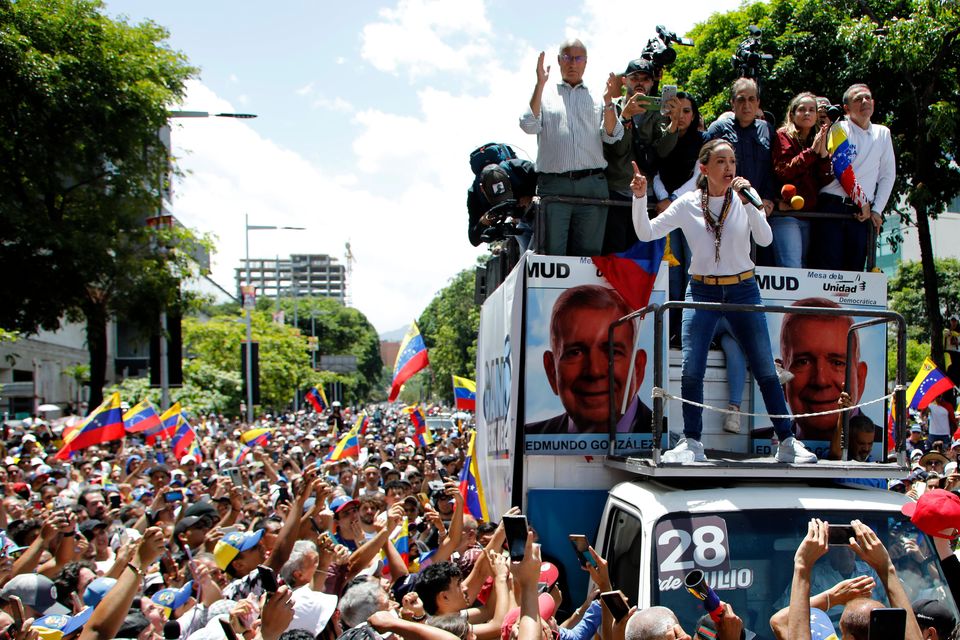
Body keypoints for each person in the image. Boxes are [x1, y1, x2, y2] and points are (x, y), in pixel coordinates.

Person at [631, 139, 817, 463]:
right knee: (691, 368)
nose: (729, 167)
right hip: (702, 290)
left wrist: (750, 204)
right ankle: (692, 442)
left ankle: (787, 441)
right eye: (721, 161)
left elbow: (765, 238)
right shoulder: (688, 203)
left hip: (744, 289)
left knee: (765, 368)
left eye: (732, 161)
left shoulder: (744, 199)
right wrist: (638, 197)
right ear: (704, 169)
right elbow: (646, 232)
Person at [519, 39, 623, 256]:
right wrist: (539, 84)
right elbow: (528, 125)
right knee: (551, 259)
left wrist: (608, 102)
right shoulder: (545, 95)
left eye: (578, 58)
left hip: (592, 185)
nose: (572, 63)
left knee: (588, 260)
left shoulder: (597, 96)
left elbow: (612, 135)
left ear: (586, 62)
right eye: (567, 57)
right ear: (558, 61)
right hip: (554, 186)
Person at [525, 284, 652, 434]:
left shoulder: (668, 445)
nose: (594, 371)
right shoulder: (529, 437)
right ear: (552, 371)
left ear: (638, 368)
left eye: (612, 351)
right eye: (575, 352)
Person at [782, 519, 922, 640]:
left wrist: (803, 567)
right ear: (830, 552)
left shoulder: (869, 570)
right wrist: (886, 568)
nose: (846, 552)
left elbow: (781, 620)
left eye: (849, 547)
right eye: (840, 549)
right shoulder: (816, 575)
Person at [811, 83, 896, 272]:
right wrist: (863, 203)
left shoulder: (883, 133)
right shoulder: (837, 128)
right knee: (827, 271)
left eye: (867, 97)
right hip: (832, 207)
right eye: (858, 99)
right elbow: (842, 167)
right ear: (847, 108)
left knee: (855, 273)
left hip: (861, 215)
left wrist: (876, 210)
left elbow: (888, 174)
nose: (864, 101)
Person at [775, 298, 873, 445]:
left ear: (860, 378)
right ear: (782, 381)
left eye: (837, 363)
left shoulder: (879, 441)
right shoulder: (761, 439)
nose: (821, 380)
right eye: (803, 362)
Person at [705, 78, 776, 265]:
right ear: (732, 103)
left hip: (758, 208)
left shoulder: (767, 129)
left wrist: (768, 197)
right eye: (741, 99)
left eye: (752, 99)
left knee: (763, 263)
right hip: (726, 210)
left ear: (758, 103)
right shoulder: (718, 129)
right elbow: (705, 169)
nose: (747, 105)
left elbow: (772, 168)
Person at [771, 92, 834, 268]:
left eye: (811, 110)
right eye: (802, 109)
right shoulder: (783, 136)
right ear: (792, 114)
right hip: (787, 214)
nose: (807, 113)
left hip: (810, 214)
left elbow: (823, 181)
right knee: (792, 266)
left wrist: (822, 157)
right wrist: (812, 153)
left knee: (806, 267)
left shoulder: (818, 138)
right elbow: (784, 171)